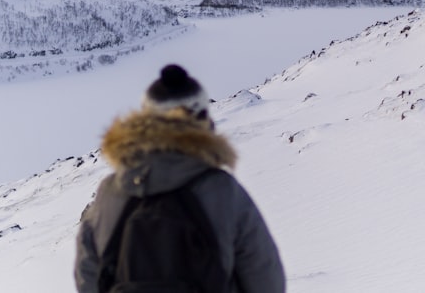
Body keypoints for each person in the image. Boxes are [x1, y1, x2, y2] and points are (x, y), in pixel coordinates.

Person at [74, 64, 286, 292]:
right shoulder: (222, 189)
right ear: (203, 119)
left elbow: (87, 274)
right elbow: (264, 276)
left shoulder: (111, 192)